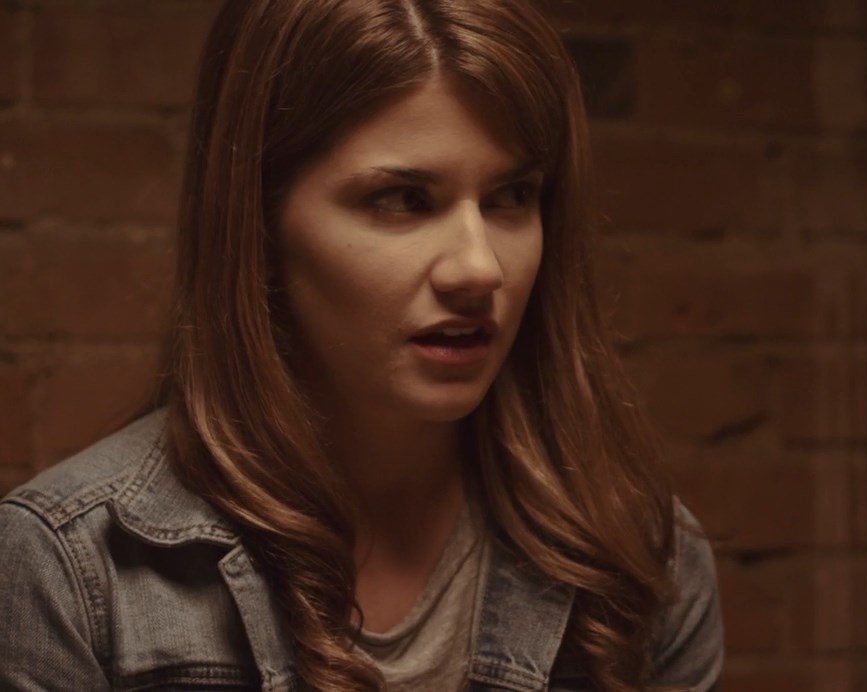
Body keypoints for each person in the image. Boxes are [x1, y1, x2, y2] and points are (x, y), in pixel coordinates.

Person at [0, 1, 724, 690]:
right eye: (403, 200)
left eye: (510, 197)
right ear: (259, 222)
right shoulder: (75, 572)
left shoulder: (638, 559)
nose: (479, 268)